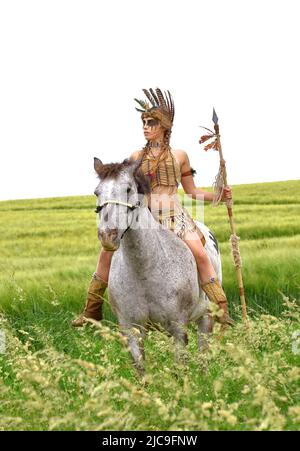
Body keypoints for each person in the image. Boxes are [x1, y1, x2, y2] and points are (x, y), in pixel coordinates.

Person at [72, 88, 234, 327]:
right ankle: (91, 309)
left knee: (200, 253)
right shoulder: (136, 156)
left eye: (151, 123)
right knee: (106, 251)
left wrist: (218, 195)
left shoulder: (180, 156)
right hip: (144, 215)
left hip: (174, 215)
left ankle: (220, 310)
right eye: (144, 123)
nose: (145, 127)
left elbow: (192, 192)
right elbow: (124, 182)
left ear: (164, 126)